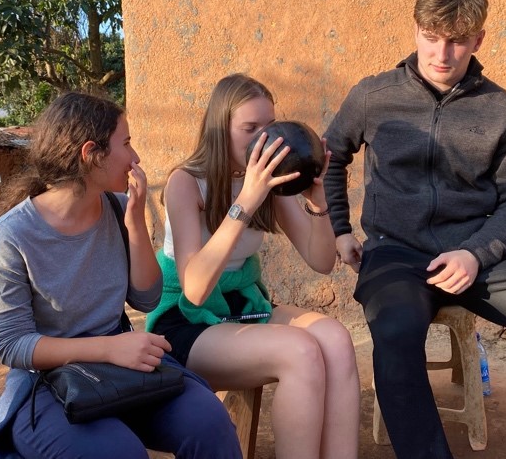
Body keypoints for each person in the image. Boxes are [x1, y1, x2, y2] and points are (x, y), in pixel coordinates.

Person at [323, 0, 506, 458]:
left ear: (478, 40)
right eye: (431, 36)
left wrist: (475, 253)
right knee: (394, 334)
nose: (442, 53)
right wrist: (340, 229)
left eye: (456, 40)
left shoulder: (503, 109)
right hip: (394, 252)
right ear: (415, 31)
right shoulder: (372, 96)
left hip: (481, 254)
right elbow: (330, 159)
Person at [0, 92, 241, 459]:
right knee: (117, 452)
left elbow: (146, 299)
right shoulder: (14, 234)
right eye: (126, 144)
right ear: (90, 153)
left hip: (122, 366)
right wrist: (109, 348)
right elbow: (11, 344)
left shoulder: (117, 207)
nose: (135, 158)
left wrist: (136, 225)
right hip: (48, 381)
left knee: (209, 422)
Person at [147, 73, 361, 459]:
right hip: (185, 322)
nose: (266, 139)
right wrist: (246, 200)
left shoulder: (265, 181)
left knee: (336, 341)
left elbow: (321, 261)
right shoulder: (186, 183)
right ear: (220, 131)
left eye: (270, 125)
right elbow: (194, 289)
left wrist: (318, 200)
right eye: (250, 128)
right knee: (301, 351)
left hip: (242, 308)